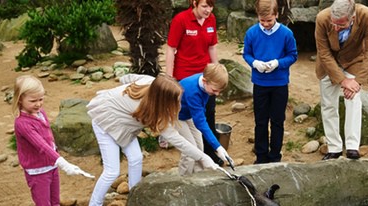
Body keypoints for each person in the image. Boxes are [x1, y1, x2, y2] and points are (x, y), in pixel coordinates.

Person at [87, 74, 218, 205]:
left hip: (124, 124)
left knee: (136, 158)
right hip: (104, 121)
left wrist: (122, 78)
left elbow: (130, 77)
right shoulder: (156, 114)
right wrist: (203, 157)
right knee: (112, 172)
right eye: (176, 100)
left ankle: (135, 195)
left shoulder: (152, 83)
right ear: (163, 100)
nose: (179, 103)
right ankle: (94, 204)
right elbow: (179, 141)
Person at [12, 75, 93, 206]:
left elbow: (48, 135)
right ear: (20, 99)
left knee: (55, 201)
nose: (38, 104)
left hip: (51, 164)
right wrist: (63, 163)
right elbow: (41, 145)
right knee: (43, 203)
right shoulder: (23, 123)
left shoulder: (40, 112)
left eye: (41, 99)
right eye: (33, 101)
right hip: (38, 170)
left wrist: (56, 155)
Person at [315, 0, 368, 160]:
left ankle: (352, 146)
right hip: (329, 63)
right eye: (334, 23)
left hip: (354, 60)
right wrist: (343, 81)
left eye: (340, 25)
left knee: (353, 99)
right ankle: (334, 148)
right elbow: (324, 54)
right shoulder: (322, 18)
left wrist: (357, 81)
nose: (335, 28)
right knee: (328, 104)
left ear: (353, 17)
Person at [165, 0, 223, 166]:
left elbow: (212, 47)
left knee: (208, 113)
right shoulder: (180, 20)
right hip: (185, 77)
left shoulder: (211, 19)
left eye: (211, 6)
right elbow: (171, 49)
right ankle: (191, 152)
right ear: (194, 3)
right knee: (188, 114)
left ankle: (211, 153)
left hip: (207, 77)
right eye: (205, 6)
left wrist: (217, 71)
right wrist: (169, 78)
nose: (208, 10)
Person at [243, 0, 298, 164]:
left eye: (269, 20)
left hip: (279, 83)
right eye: (262, 20)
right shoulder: (251, 33)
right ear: (258, 16)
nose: (266, 24)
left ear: (276, 15)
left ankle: (275, 156)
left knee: (277, 121)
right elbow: (246, 54)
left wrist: (278, 63)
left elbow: (292, 55)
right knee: (260, 121)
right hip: (260, 83)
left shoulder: (286, 33)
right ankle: (261, 156)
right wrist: (254, 63)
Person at [174, 63, 234, 175]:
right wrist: (218, 147)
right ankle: (183, 180)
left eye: (219, 91)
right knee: (189, 151)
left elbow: (200, 113)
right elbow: (200, 122)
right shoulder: (193, 91)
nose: (216, 94)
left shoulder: (207, 84)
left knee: (199, 147)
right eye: (215, 90)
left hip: (189, 115)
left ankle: (198, 175)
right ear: (205, 81)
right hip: (177, 117)